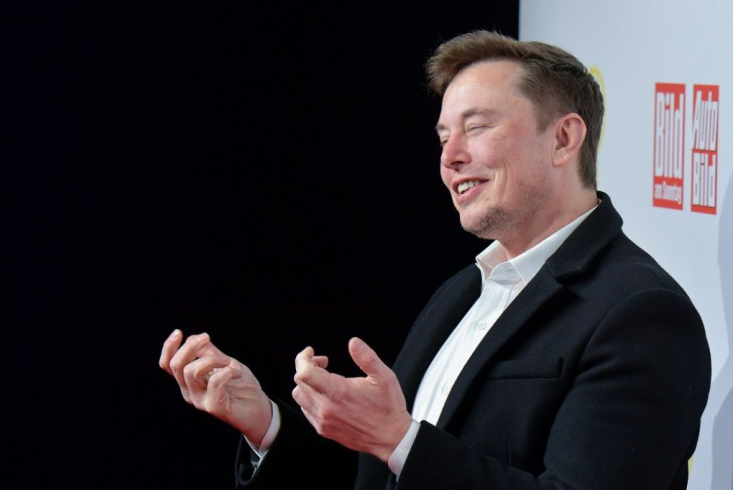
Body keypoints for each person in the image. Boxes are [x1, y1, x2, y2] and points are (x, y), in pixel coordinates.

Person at [159, 30, 711, 489]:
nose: (450, 158)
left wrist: (396, 438)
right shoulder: (464, 290)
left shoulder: (642, 314)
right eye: (444, 136)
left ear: (564, 139)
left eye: (477, 127)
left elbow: (411, 454)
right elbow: (384, 475)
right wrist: (267, 422)